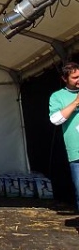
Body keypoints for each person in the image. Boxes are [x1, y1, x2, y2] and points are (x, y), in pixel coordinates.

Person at [49, 61, 79, 212]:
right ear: (64, 79)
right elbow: (55, 120)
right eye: (75, 77)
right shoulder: (57, 96)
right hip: (76, 152)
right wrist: (76, 103)